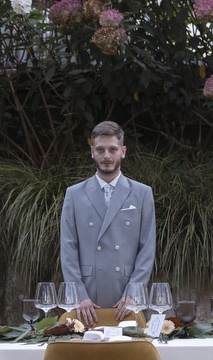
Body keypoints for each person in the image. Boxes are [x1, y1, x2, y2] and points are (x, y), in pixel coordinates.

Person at [60, 121, 156, 325]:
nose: (106, 156)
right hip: (87, 299)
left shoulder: (142, 193)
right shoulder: (74, 194)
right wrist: (78, 294)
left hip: (127, 297)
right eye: (100, 150)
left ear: (123, 151)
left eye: (112, 149)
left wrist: (134, 293)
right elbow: (68, 248)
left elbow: (147, 248)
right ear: (92, 152)